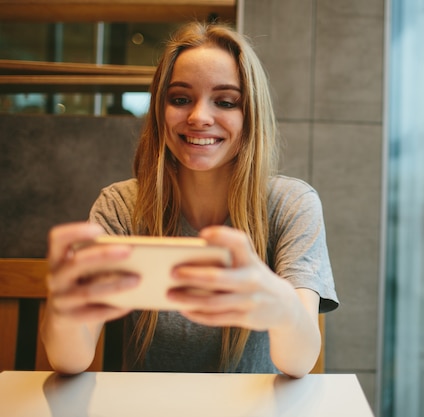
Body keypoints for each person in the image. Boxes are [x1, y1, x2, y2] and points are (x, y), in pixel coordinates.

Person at [40, 21, 338, 378]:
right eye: (180, 99)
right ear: (159, 111)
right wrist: (63, 306)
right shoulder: (120, 205)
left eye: (226, 102)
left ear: (251, 116)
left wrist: (281, 305)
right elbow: (69, 360)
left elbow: (301, 360)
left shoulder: (292, 204)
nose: (198, 117)